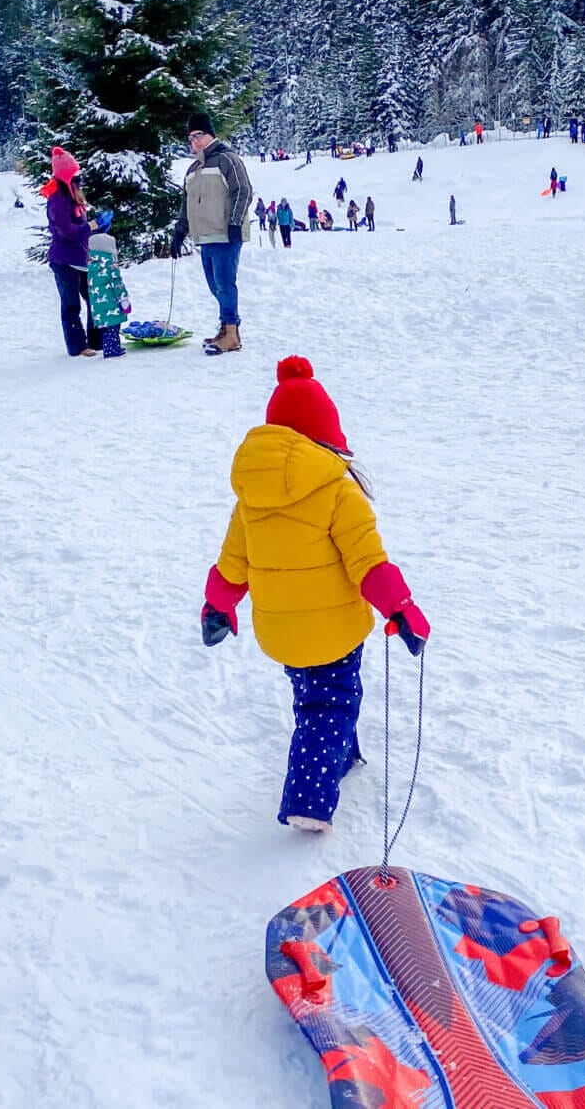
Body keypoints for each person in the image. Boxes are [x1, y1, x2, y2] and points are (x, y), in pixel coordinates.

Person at [198, 356, 429, 832]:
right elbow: (370, 564)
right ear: (326, 433)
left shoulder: (252, 499)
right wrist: (401, 609)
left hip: (281, 631)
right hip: (334, 632)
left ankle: (343, 755)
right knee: (332, 704)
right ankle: (309, 796)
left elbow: (231, 565)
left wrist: (217, 606)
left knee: (313, 695)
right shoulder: (340, 493)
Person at [171, 111, 253, 356]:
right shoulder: (192, 169)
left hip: (225, 234)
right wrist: (179, 232)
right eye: (191, 137)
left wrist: (235, 223)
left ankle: (230, 333)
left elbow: (244, 191)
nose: (194, 141)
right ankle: (228, 329)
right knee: (214, 286)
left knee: (225, 284)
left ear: (210, 135)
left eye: (199, 135)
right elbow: (186, 204)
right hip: (204, 236)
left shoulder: (228, 159)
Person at [41, 146, 98, 356]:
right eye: (74, 173)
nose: (78, 177)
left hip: (81, 259)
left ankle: (97, 339)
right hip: (64, 261)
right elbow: (67, 232)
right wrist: (89, 226)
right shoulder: (57, 199)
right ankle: (77, 346)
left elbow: (81, 229)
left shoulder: (75, 195)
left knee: (93, 299)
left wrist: (99, 225)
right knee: (71, 305)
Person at [86, 211, 131, 358]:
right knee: (113, 327)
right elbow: (117, 283)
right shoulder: (110, 265)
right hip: (111, 303)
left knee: (106, 328)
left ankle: (108, 347)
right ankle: (112, 349)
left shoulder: (92, 266)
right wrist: (124, 300)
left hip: (98, 306)